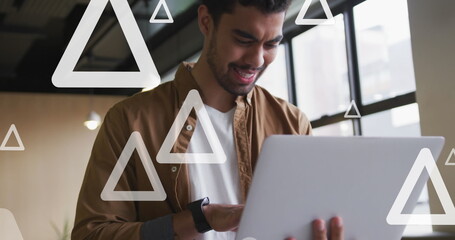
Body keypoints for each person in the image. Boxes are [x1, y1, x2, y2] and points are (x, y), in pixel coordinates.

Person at [71, 0, 344, 239]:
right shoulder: (130, 120)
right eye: (244, 40)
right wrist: (199, 220)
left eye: (271, 44)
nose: (257, 59)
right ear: (205, 22)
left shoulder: (293, 124)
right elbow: (92, 234)